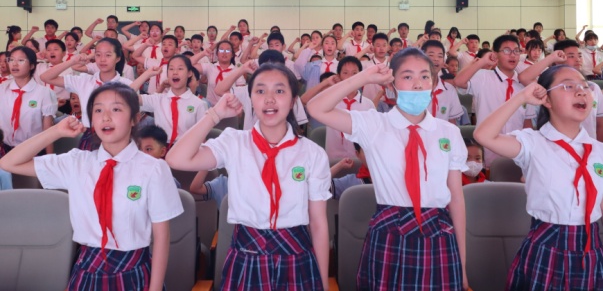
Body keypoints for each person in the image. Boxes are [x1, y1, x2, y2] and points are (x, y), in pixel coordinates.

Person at [307, 48, 468, 291]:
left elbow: (456, 199)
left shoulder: (449, 132)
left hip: (438, 232)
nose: (417, 84)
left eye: (425, 76)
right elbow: (316, 108)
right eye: (407, 76)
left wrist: (462, 264)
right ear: (392, 83)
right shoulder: (374, 124)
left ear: (434, 82)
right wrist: (364, 77)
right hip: (390, 231)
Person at [0, 82, 183, 290]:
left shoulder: (154, 169)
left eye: (116, 109)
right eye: (98, 110)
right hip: (88, 268)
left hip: (133, 270)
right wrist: (55, 131)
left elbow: (162, 236)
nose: (105, 117)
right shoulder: (76, 162)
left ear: (134, 119)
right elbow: (8, 163)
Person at [167, 63, 331, 290]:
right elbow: (176, 159)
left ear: (294, 99)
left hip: (296, 257)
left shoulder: (312, 153)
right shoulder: (234, 142)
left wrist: (323, 284)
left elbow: (318, 224)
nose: (269, 99)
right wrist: (214, 115)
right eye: (260, 91)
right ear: (250, 99)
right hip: (246, 257)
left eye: (279, 91)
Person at [474, 66, 603, 291]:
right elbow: (483, 135)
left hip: (590, 246)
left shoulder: (598, 150)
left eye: (584, 86)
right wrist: (521, 97)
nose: (580, 91)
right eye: (568, 86)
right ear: (547, 100)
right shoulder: (533, 142)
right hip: (547, 245)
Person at [454, 35, 536, 166]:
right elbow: (458, 81)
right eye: (507, 50)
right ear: (496, 54)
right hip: (488, 149)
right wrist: (482, 61)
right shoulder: (483, 77)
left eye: (516, 51)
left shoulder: (524, 85)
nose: (513, 55)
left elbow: (527, 123)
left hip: (517, 150)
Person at [41, 38, 132, 150]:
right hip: (90, 136)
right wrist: (72, 61)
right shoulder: (84, 81)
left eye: (108, 55)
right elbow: (46, 77)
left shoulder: (127, 85)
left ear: (118, 58)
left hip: (118, 136)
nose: (102, 59)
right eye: (98, 55)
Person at [130, 55, 208, 149]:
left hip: (186, 151)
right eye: (171, 69)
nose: (175, 72)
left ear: (189, 73)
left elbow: (201, 138)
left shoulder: (199, 104)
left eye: (180, 69)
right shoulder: (158, 99)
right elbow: (126, 96)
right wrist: (147, 74)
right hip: (159, 150)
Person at [0, 47, 57, 156]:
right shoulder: (2, 89)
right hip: (5, 149)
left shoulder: (44, 93)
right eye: (11, 60)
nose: (14, 64)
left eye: (21, 60)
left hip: (32, 151)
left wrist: (49, 158)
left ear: (31, 65)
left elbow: (47, 130)